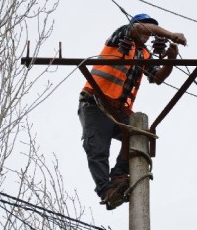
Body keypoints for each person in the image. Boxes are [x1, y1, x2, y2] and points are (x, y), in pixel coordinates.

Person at [78, 14, 187, 210]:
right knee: (98, 149)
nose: (148, 34)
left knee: (139, 138)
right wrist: (171, 34)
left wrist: (170, 59)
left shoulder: (144, 54)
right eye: (147, 29)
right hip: (95, 102)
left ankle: (119, 175)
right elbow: (138, 28)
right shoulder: (122, 36)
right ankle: (107, 191)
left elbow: (157, 78)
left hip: (118, 110)